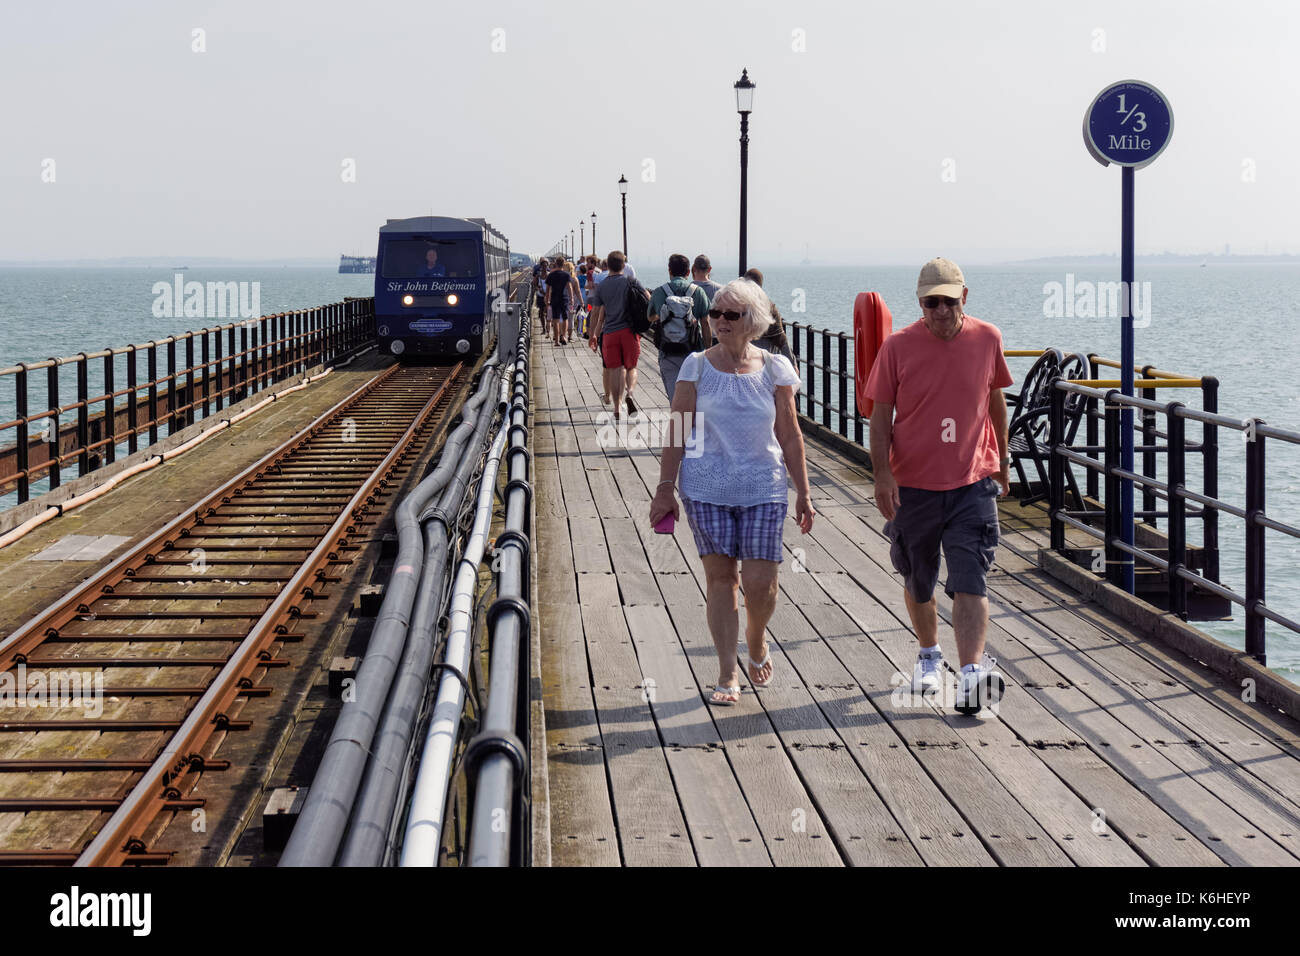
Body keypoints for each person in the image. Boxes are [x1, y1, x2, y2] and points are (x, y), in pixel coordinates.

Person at [650, 278, 815, 706]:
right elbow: (677, 429)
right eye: (715, 314)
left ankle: (756, 639)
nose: (719, 321)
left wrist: (804, 491)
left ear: (753, 321)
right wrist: (665, 488)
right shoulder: (696, 366)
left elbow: (791, 435)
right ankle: (727, 672)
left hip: (764, 486)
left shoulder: (776, 369)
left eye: (731, 315)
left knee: (761, 585)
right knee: (721, 581)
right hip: (706, 487)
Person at [864, 257, 1013, 715]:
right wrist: (882, 474)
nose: (941, 311)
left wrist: (1003, 461)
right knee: (919, 576)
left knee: (972, 576)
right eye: (932, 303)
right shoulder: (898, 347)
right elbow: (880, 414)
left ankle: (970, 675)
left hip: (972, 479)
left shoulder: (987, 338)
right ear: (920, 303)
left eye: (949, 301)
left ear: (963, 298)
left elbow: (995, 400)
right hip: (914, 484)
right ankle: (929, 656)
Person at [587, 250, 644, 418]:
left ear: (607, 266)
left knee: (615, 370)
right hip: (630, 332)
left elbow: (596, 313)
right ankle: (630, 393)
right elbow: (647, 298)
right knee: (631, 367)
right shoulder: (630, 281)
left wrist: (592, 335)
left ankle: (617, 408)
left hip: (610, 333)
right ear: (623, 266)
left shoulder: (602, 285)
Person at [647, 253, 711, 402]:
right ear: (688, 272)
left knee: (675, 399)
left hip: (667, 352)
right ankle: (692, 424)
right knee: (695, 398)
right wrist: (708, 351)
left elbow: (650, 317)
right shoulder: (698, 292)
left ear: (669, 270)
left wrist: (665, 315)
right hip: (693, 352)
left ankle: (680, 422)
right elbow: (706, 324)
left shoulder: (660, 292)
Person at [743, 268, 795, 366]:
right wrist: (792, 364)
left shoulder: (737, 305)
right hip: (766, 359)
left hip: (745, 359)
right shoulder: (770, 306)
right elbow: (780, 338)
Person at [544, 256, 575, 345]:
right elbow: (569, 287)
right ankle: (563, 336)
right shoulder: (566, 275)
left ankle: (557, 341)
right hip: (564, 298)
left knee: (555, 319)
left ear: (556, 264)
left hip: (554, 298)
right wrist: (571, 298)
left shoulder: (551, 275)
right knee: (565, 318)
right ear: (563, 264)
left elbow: (548, 289)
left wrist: (547, 299)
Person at [532, 257, 550, 337]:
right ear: (541, 266)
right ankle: (544, 328)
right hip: (540, 295)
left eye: (546, 266)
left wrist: (547, 293)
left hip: (548, 296)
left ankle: (548, 328)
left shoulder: (549, 275)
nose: (544, 267)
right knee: (541, 312)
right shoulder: (538, 275)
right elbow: (534, 284)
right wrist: (538, 288)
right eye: (543, 266)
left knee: (547, 313)